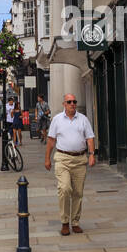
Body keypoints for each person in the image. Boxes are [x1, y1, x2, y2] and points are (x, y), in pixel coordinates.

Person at [44, 93, 96, 234]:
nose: (72, 104)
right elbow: (51, 140)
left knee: (78, 193)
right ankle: (65, 222)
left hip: (80, 159)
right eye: (69, 102)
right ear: (64, 104)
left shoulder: (83, 119)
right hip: (62, 158)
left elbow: (90, 138)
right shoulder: (57, 120)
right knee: (65, 188)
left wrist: (92, 154)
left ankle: (75, 221)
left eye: (74, 101)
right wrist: (47, 158)